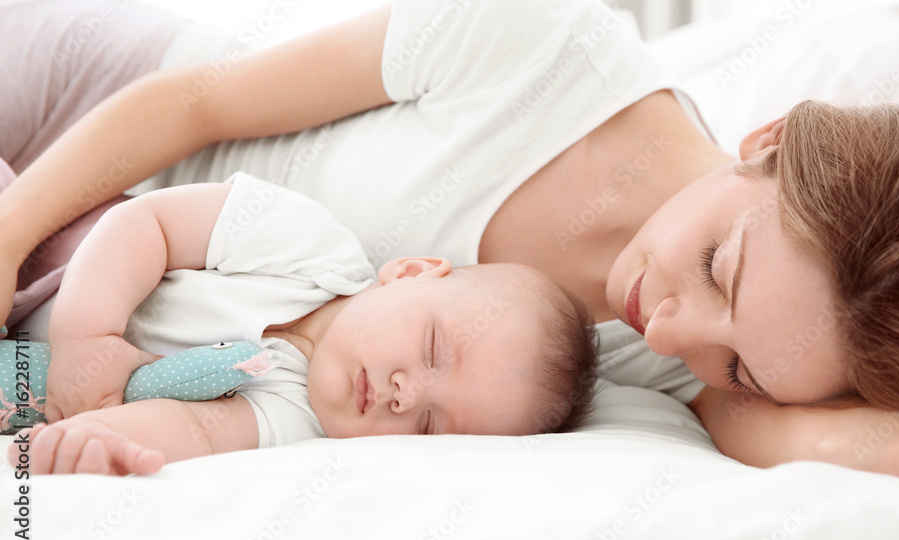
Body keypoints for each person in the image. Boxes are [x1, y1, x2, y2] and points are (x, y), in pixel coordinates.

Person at [1, 0, 899, 480]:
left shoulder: (655, 368)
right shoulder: (542, 40)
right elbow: (195, 104)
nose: (677, 329)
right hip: (95, 106)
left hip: (81, 299)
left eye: (740, 366)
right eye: (720, 268)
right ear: (766, 138)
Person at [6, 170, 598, 475]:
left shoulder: (297, 423)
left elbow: (195, 431)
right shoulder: (310, 247)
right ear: (412, 271)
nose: (404, 393)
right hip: (42, 252)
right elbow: (148, 224)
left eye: (427, 426)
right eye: (434, 348)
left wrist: (102, 441)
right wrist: (87, 339)